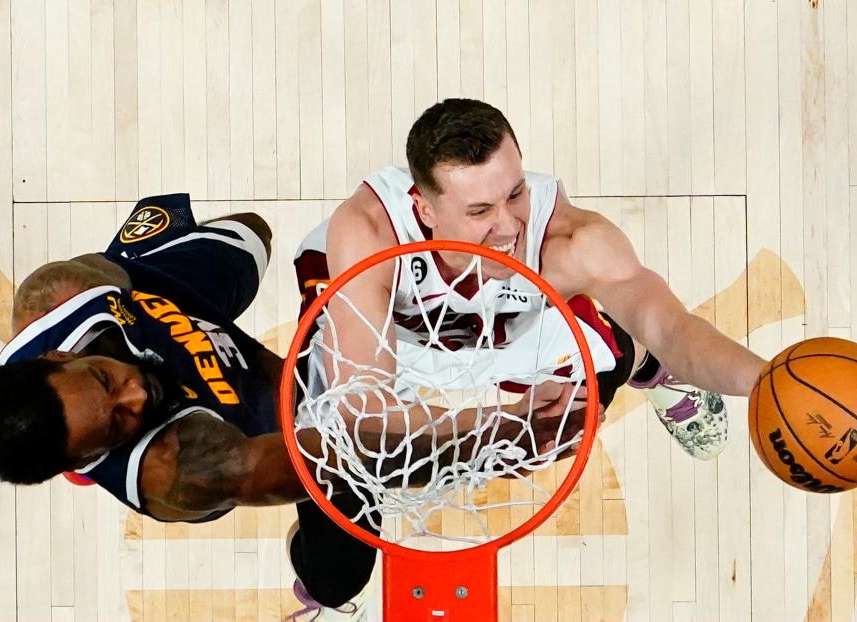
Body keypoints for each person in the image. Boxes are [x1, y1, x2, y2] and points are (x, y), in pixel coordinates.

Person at [0, 193, 583, 621]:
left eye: (107, 379)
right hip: (270, 422)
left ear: (56, 357)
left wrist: (146, 274)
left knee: (251, 233)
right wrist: (493, 428)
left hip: (169, 303)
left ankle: (164, 247)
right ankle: (318, 594)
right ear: (89, 458)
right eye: (116, 421)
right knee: (340, 572)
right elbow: (349, 451)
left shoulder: (59, 297)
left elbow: (106, 285)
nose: (136, 393)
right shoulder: (179, 471)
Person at [292, 98, 768, 615]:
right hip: (382, 343)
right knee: (334, 572)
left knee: (566, 417)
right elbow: (362, 412)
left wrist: (769, 380)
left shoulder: (569, 239)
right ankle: (320, 579)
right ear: (425, 210)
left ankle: (647, 366)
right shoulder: (367, 233)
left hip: (510, 334)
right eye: (478, 211)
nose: (506, 226)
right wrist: (500, 420)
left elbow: (671, 325)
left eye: (515, 193)